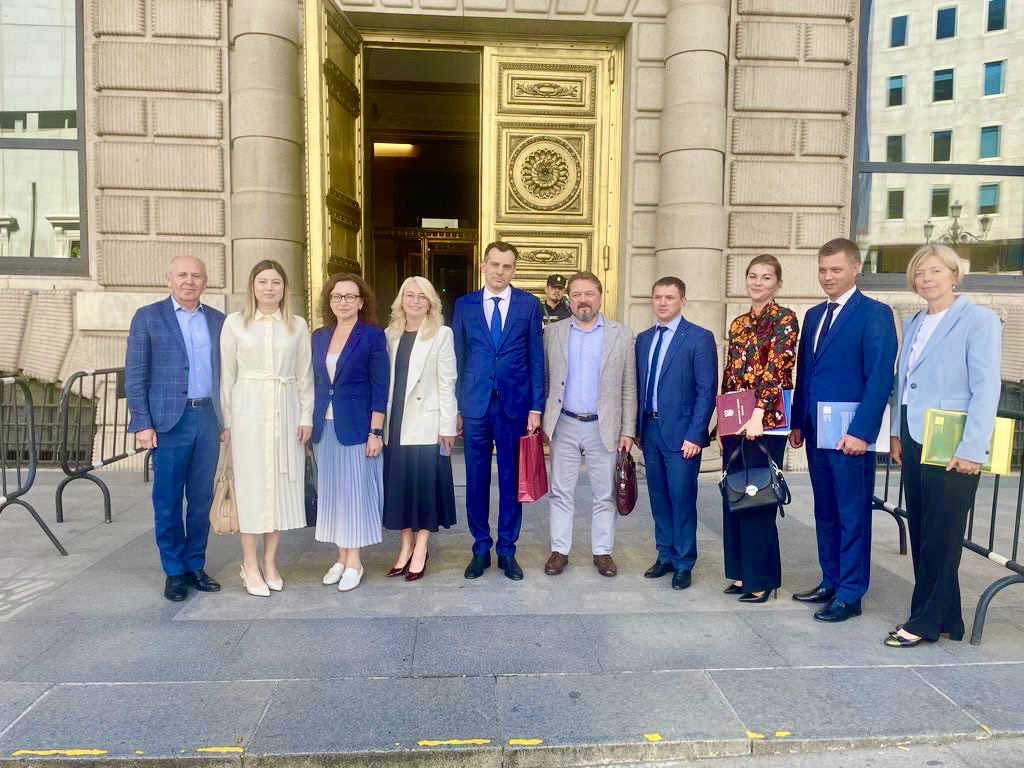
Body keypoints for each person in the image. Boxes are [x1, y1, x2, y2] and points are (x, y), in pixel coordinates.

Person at [886, 244, 1001, 647]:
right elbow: (903, 383)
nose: (927, 279)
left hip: (955, 444)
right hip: (918, 439)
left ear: (954, 274)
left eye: (935, 271)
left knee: (942, 532)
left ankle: (923, 622)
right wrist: (897, 432)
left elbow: (986, 387)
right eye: (919, 273)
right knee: (921, 528)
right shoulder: (915, 321)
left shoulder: (979, 320)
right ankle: (949, 618)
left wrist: (973, 448)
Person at [789, 238, 897, 623]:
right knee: (826, 509)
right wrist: (798, 421)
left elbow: (880, 378)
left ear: (855, 268)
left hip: (851, 436)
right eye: (822, 269)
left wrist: (862, 432)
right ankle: (831, 579)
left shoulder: (874, 314)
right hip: (818, 430)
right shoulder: (815, 315)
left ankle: (851, 593)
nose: (828, 276)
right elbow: (807, 371)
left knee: (853, 513)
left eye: (835, 269)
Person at [125, 255, 225, 602]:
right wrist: (142, 423)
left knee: (201, 499)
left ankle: (195, 563)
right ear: (169, 279)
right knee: (167, 500)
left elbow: (225, 377)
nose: (189, 280)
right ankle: (173, 570)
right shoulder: (148, 317)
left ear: (205, 281)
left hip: (207, 419)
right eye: (182, 275)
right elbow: (135, 374)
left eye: (196, 275)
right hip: (168, 423)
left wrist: (225, 422)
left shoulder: (218, 321)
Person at [220, 260, 314, 597]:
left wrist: (306, 417)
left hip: (286, 412)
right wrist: (228, 422)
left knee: (278, 490)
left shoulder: (297, 325)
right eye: (263, 282)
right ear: (252, 286)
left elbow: (305, 376)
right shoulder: (235, 324)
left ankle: (270, 561)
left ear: (284, 288)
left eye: (276, 282)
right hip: (249, 411)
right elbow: (227, 376)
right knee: (252, 488)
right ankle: (249, 563)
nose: (270, 288)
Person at [452, 241, 545, 580]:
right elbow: (458, 359)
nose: (500, 272)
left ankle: (507, 549)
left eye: (507, 267)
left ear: (514, 270)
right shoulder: (464, 305)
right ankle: (480, 547)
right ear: (483, 265)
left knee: (510, 478)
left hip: (514, 405)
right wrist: (456, 408)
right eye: (494, 265)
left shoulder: (529, 305)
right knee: (475, 478)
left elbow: (536, 358)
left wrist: (537, 407)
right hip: (475, 403)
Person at [542, 271, 637, 577]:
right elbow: (545, 380)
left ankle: (603, 551)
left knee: (605, 493)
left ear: (600, 296)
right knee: (560, 491)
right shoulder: (553, 333)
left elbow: (628, 387)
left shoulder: (621, 334)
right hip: (564, 424)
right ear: (569, 298)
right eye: (577, 294)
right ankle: (559, 550)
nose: (583, 300)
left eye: (589, 293)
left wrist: (628, 430)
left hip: (604, 426)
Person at [719, 255, 799, 603]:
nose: (758, 282)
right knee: (734, 494)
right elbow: (731, 374)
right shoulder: (738, 324)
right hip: (736, 421)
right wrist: (723, 422)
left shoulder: (785, 319)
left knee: (758, 495)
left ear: (778, 283)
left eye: (766, 277)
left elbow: (776, 369)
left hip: (765, 422)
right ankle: (740, 572)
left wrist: (759, 413)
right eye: (753, 276)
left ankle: (762, 578)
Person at [635, 276, 717, 590]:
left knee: (682, 498)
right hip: (651, 430)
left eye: (669, 297)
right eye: (657, 297)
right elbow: (638, 385)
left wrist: (696, 434)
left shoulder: (698, 338)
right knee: (658, 497)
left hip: (682, 434)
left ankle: (684, 561)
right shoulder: (643, 339)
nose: (663, 303)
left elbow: (706, 390)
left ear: (682, 301)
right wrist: (636, 429)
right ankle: (665, 554)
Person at [310, 273, 389, 592]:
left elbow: (380, 386)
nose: (343, 302)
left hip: (358, 427)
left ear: (361, 302)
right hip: (324, 427)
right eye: (337, 297)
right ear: (329, 301)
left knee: (355, 493)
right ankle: (341, 557)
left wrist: (376, 430)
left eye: (350, 297)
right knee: (331, 493)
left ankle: (355, 560)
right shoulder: (318, 336)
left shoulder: (372, 336)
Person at [382, 276, 458, 581]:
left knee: (425, 486)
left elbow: (447, 381)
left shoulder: (441, 334)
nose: (414, 301)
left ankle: (422, 546)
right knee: (399, 486)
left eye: (421, 296)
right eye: (409, 295)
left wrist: (447, 425)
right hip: (396, 420)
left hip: (427, 421)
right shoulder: (389, 334)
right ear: (400, 299)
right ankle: (404, 546)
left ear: (431, 302)